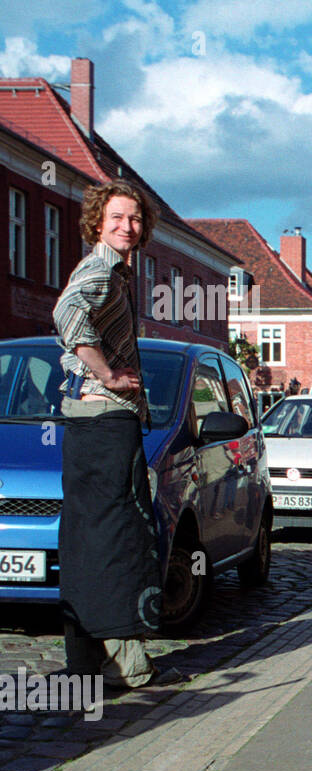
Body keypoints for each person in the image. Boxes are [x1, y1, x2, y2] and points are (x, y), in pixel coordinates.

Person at [53, 179, 180, 690]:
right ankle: (131, 665)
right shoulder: (101, 268)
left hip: (88, 424)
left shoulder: (114, 272)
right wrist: (106, 373)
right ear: (97, 223)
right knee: (119, 535)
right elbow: (66, 314)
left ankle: (84, 661)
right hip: (106, 420)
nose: (128, 227)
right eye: (117, 218)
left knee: (85, 537)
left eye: (135, 219)